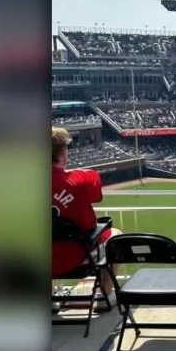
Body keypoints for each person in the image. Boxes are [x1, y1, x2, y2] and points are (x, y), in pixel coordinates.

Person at [51, 127, 121, 305]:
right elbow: (96, 194)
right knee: (115, 236)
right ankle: (105, 295)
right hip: (77, 256)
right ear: (64, 151)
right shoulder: (81, 179)